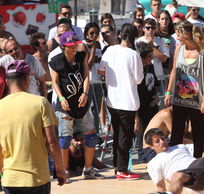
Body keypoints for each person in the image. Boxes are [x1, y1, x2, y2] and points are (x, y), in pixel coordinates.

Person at [0, 60, 67, 194]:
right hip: (38, 177)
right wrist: (60, 169)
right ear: (28, 79)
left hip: (11, 177)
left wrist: (2, 170)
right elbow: (52, 142)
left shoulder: (0, 106)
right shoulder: (40, 103)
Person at [49, 31, 104, 180]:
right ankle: (65, 170)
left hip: (81, 104)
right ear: (63, 46)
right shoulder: (57, 61)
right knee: (65, 139)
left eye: (75, 45)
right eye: (71, 46)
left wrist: (85, 93)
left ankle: (88, 168)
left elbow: (86, 75)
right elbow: (54, 81)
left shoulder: (81, 56)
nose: (74, 48)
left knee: (91, 136)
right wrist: (61, 98)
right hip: (66, 106)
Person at [98, 24, 143, 180]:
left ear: (120, 35)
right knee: (125, 136)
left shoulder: (110, 50)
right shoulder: (133, 55)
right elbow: (138, 79)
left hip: (113, 100)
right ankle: (122, 170)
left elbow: (100, 70)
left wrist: (113, 76)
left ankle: (118, 167)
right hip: (127, 101)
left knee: (118, 134)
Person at [164, 20, 204, 158]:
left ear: (187, 34)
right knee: (176, 133)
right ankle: (175, 160)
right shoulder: (179, 48)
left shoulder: (203, 51)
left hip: (197, 99)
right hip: (179, 98)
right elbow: (173, 71)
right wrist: (168, 92)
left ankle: (196, 162)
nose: (177, 38)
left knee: (198, 134)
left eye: (179, 34)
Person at [136, 42, 159, 162]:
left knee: (152, 130)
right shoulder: (137, 69)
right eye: (149, 56)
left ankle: (150, 155)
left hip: (151, 104)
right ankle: (142, 156)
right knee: (141, 132)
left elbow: (155, 83)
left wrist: (156, 96)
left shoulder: (151, 66)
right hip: (140, 106)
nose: (152, 58)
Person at [135, 18, 169, 83]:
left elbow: (164, 59)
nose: (150, 30)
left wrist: (152, 46)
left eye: (153, 28)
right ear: (143, 29)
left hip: (157, 75)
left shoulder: (160, 41)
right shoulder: (137, 41)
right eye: (148, 28)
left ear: (156, 29)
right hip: (142, 74)